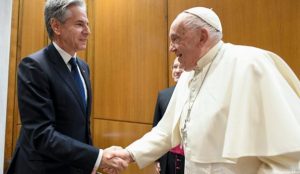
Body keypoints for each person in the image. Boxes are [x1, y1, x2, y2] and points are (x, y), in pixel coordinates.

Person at [109, 7, 300, 174]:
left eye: (176, 39)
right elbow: (166, 131)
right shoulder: (188, 75)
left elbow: (287, 158)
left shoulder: (251, 65)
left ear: (202, 37)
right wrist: (129, 154)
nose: (170, 48)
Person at [6, 0, 127, 174]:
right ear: (56, 26)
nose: (88, 31)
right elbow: (42, 134)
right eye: (79, 24)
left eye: (87, 24)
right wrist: (97, 158)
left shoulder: (83, 68)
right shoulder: (34, 66)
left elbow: (81, 128)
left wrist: (91, 164)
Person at [152, 57, 185, 174]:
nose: (177, 70)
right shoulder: (163, 95)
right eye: (175, 67)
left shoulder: (197, 94)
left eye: (181, 66)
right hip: (168, 156)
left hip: (188, 157)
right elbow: (156, 128)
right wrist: (156, 159)